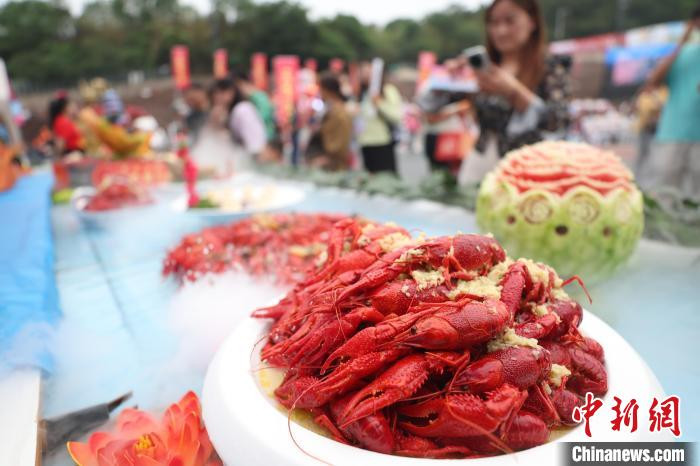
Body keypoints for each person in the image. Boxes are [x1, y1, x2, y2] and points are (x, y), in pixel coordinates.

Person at [460, 0, 570, 182]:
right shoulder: (486, 67)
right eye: (494, 23)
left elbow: (557, 122)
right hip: (480, 162)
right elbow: (433, 106)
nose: (501, 31)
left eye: (510, 21)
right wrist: (449, 80)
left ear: (532, 22)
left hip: (528, 167)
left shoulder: (550, 67)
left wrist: (515, 92)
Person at [641, 9, 700, 199]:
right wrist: (682, 42)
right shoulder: (684, 53)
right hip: (673, 133)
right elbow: (653, 82)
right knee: (664, 193)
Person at [356, 61, 403, 173]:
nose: (364, 75)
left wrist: (379, 104)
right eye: (362, 72)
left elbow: (396, 116)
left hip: (382, 142)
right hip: (365, 142)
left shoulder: (388, 90)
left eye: (368, 72)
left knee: (385, 176)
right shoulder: (362, 93)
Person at [305, 72, 352, 171]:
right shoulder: (330, 108)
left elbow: (340, 142)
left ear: (327, 90)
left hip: (332, 163)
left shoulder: (339, 112)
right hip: (326, 159)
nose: (320, 92)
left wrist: (328, 157)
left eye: (321, 89)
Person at [210, 78, 267, 159]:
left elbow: (254, 140)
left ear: (232, 92)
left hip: (252, 156)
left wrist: (255, 157)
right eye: (215, 93)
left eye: (221, 92)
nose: (217, 97)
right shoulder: (227, 111)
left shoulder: (242, 109)